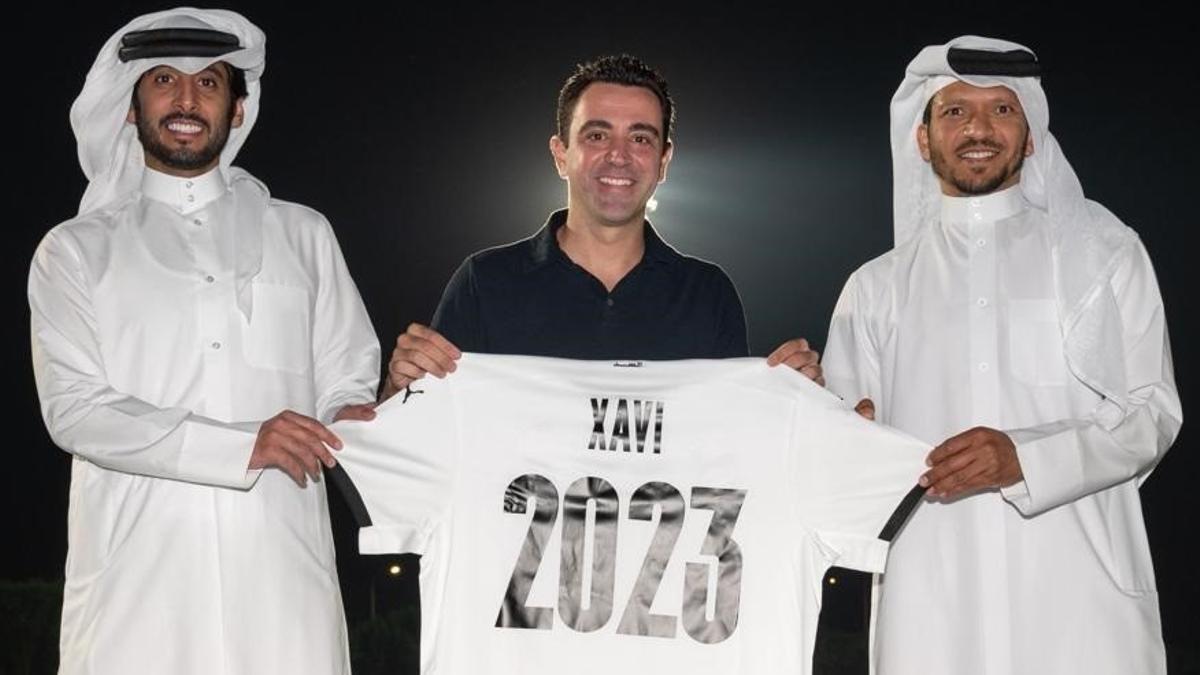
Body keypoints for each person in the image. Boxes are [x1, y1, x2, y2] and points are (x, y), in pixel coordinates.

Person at [28, 8, 380, 673]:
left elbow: (347, 377)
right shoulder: (75, 251)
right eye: (164, 79)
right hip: (137, 591)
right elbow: (73, 408)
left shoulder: (302, 234)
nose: (187, 99)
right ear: (131, 106)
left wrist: (358, 421)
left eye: (210, 83)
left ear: (237, 109)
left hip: (283, 586)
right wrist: (244, 443)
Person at [823, 35, 1182, 674]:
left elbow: (1151, 414)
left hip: (1081, 612)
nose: (979, 128)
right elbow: (847, 462)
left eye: (1002, 110)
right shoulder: (873, 288)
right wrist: (823, 416)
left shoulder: (1104, 253)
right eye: (954, 111)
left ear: (1032, 133)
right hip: (932, 616)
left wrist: (1028, 458)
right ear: (923, 138)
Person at [381, 54, 819, 399]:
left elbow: (730, 444)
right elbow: (420, 435)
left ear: (663, 161)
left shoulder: (707, 293)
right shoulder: (486, 281)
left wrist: (796, 401)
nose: (618, 154)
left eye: (641, 138)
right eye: (596, 135)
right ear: (560, 154)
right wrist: (400, 388)